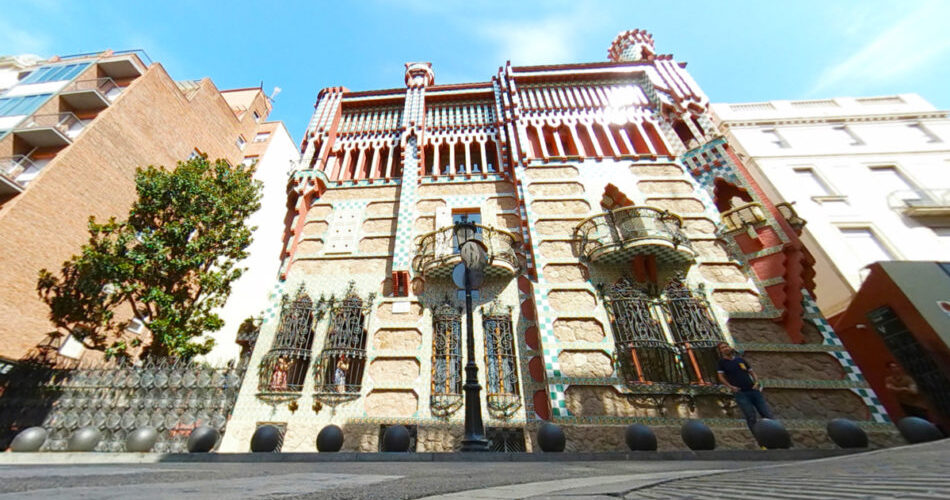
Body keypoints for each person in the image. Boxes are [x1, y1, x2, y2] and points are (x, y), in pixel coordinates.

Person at [716, 342, 774, 432]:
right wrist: (731, 387)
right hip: (741, 393)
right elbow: (720, 377)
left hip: (753, 390)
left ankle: (775, 435)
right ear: (720, 351)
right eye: (722, 348)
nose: (725, 348)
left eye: (726, 346)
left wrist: (756, 382)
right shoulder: (721, 363)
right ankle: (759, 439)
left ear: (730, 347)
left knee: (766, 413)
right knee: (750, 416)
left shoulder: (740, 360)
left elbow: (751, 372)